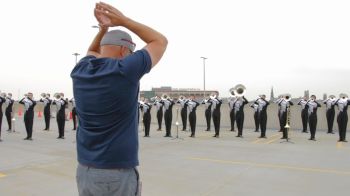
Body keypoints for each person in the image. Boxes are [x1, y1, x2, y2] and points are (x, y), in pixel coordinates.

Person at [71, 2, 167, 196]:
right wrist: (123, 21)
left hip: (85, 170)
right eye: (130, 53)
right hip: (117, 173)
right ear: (125, 51)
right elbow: (160, 41)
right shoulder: (124, 71)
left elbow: (92, 51)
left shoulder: (80, 70)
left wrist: (103, 30)